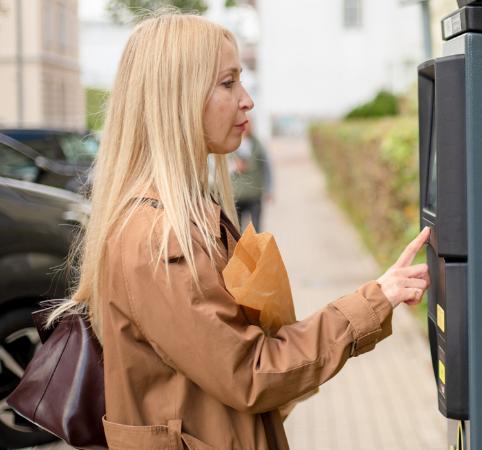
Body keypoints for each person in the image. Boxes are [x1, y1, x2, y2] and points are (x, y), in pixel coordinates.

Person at [47, 12, 430, 450]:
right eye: (228, 84)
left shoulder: (175, 216)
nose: (246, 100)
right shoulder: (159, 238)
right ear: (178, 97)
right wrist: (376, 298)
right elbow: (252, 371)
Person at [231, 117, 271, 230]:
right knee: (236, 231)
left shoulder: (258, 145)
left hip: (254, 195)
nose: (246, 126)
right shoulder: (230, 144)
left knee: (256, 230)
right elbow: (221, 166)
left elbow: (267, 168)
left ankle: (255, 248)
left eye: (249, 123)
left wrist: (269, 189)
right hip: (236, 196)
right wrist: (235, 166)